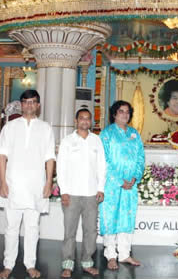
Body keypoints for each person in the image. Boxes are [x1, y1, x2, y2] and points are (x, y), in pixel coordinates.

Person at [0, 90, 56, 279]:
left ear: (38, 105)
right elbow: (2, 156)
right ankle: (8, 265)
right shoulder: (10, 127)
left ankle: (30, 264)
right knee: (11, 228)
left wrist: (48, 182)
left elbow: (50, 157)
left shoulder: (45, 128)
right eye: (26, 102)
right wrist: (3, 182)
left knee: (32, 227)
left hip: (36, 185)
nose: (29, 105)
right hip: (13, 184)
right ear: (21, 105)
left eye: (33, 102)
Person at [57, 108, 106, 278]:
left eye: (88, 119)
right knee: (69, 231)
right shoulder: (67, 141)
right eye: (82, 118)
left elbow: (102, 166)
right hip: (72, 194)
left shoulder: (96, 141)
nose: (85, 121)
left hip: (92, 193)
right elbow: (61, 167)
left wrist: (101, 188)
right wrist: (63, 191)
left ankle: (87, 262)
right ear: (76, 121)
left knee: (90, 230)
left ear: (91, 122)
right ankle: (68, 264)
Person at [99, 100, 145, 270]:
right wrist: (120, 181)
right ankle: (111, 255)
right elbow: (104, 161)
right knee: (111, 218)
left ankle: (125, 254)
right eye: (121, 111)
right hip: (112, 185)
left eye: (127, 112)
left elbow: (141, 158)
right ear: (114, 114)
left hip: (130, 186)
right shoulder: (106, 134)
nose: (125, 115)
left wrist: (134, 177)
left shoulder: (134, 134)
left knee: (127, 217)